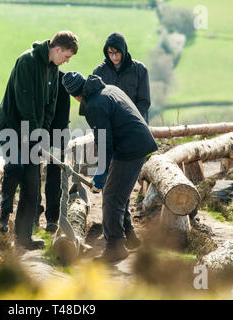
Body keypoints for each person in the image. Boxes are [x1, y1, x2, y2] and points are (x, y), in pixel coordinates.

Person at [0, 31, 78, 250]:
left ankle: (23, 239)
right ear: (57, 49)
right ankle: (3, 216)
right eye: (67, 56)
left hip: (32, 133)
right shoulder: (27, 61)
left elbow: (49, 106)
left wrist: (41, 135)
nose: (67, 61)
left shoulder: (53, 69)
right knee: (15, 167)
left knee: (32, 187)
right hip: (11, 127)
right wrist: (33, 136)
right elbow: (25, 105)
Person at [61, 72, 157, 262]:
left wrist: (101, 172)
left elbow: (105, 142)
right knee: (118, 191)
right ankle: (129, 237)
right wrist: (105, 170)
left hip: (130, 148)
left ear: (75, 96)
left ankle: (115, 247)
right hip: (137, 143)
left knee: (112, 196)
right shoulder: (108, 89)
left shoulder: (95, 105)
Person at [93, 32, 151, 248]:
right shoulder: (100, 72)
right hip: (111, 137)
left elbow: (144, 102)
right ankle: (127, 233)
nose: (114, 57)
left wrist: (136, 125)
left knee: (120, 187)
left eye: (117, 53)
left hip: (132, 135)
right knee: (116, 186)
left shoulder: (139, 70)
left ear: (124, 51)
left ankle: (124, 235)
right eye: (110, 53)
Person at [35, 70, 71, 233]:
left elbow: (63, 113)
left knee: (54, 172)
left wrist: (55, 142)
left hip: (57, 131)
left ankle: (52, 218)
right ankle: (34, 213)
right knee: (32, 172)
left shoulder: (62, 79)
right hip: (35, 130)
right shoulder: (34, 75)